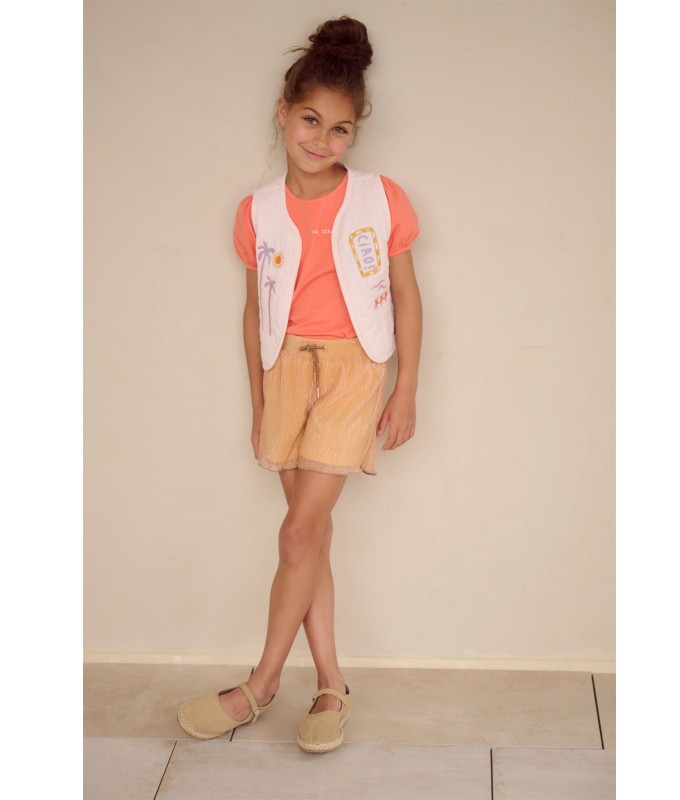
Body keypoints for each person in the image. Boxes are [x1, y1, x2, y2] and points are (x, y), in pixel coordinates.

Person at [177, 16, 422, 754]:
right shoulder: (256, 212)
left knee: (295, 533)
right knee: (311, 536)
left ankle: (260, 686)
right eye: (311, 119)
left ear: (355, 135)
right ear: (284, 113)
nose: (322, 139)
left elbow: (406, 295)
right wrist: (259, 401)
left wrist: (406, 388)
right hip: (284, 371)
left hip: (353, 369)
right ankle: (332, 684)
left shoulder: (380, 198)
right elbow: (254, 310)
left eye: (340, 129)